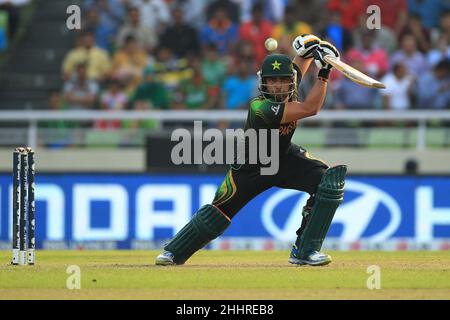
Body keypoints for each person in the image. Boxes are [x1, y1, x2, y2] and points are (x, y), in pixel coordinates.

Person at [156, 34, 347, 266]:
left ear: (291, 81)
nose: (277, 86)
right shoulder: (261, 107)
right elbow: (311, 108)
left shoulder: (290, 89)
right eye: (272, 81)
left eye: (282, 80)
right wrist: (325, 71)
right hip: (251, 165)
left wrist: (311, 47)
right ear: (263, 83)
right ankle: (173, 252)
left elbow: (298, 65)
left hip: (285, 157)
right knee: (218, 213)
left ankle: (305, 251)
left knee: (329, 181)